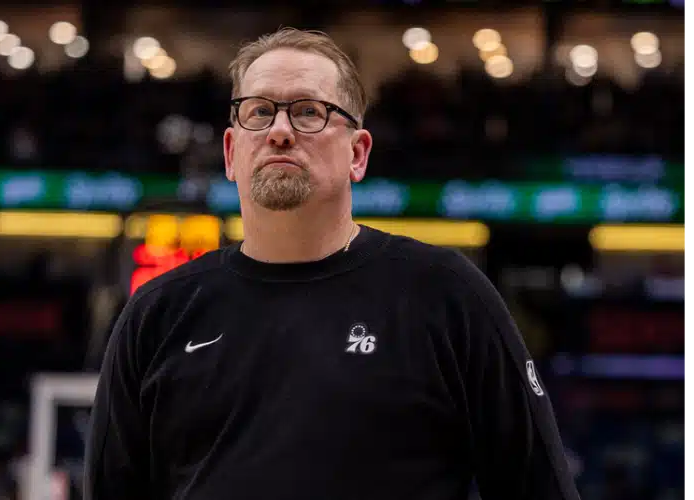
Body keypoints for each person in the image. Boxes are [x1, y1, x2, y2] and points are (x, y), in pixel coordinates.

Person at [84, 27, 581, 500]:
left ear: (358, 154)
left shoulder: (446, 296)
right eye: (259, 112)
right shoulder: (157, 315)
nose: (280, 131)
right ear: (231, 152)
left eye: (308, 112)